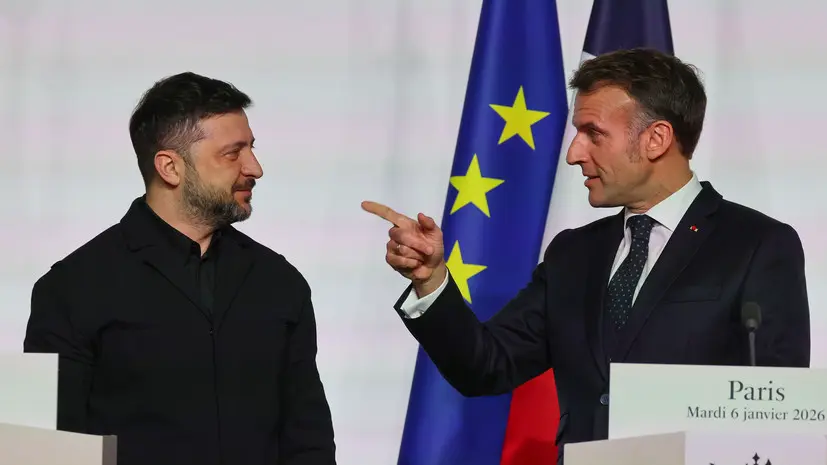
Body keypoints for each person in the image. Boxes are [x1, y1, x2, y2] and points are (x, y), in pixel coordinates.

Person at [362, 48, 810, 464]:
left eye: (593, 133)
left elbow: (774, 412)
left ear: (656, 139)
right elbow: (485, 366)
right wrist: (431, 280)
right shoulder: (573, 254)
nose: (574, 154)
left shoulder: (757, 245)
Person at [24, 72, 336, 465]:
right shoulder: (69, 288)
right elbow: (44, 451)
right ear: (170, 167)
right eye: (232, 153)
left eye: (251, 148)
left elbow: (309, 441)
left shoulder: (280, 282)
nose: (255, 168)